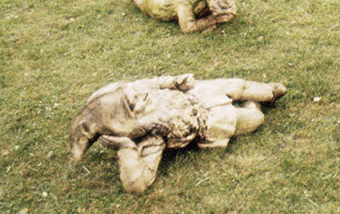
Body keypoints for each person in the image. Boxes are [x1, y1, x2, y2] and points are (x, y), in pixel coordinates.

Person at [69, 74, 286, 193]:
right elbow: (137, 184)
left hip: (198, 94)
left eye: (132, 94)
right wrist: (125, 147)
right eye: (133, 106)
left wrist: (174, 82)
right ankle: (252, 105)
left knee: (238, 85)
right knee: (255, 119)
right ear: (129, 126)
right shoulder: (152, 138)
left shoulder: (142, 91)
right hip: (211, 122)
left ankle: (269, 92)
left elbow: (154, 83)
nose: (140, 97)